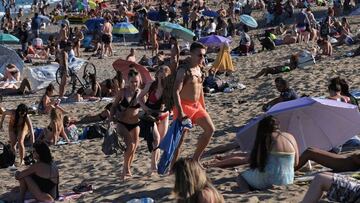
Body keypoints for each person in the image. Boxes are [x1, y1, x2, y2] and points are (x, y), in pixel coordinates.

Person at [172, 42, 215, 167]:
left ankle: (195, 159)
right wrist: (180, 112)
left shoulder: (200, 68)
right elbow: (175, 91)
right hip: (184, 106)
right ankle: (172, 168)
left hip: (197, 106)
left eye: (203, 56)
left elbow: (200, 90)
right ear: (191, 54)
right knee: (179, 142)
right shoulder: (183, 70)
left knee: (210, 129)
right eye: (199, 55)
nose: (202, 58)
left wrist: (204, 108)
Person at [237, 116, 299, 191]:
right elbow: (296, 163)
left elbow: (260, 162)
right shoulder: (290, 137)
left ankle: (246, 192)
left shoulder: (267, 138)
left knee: (241, 177)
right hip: (288, 180)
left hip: (269, 181)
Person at [138, 65, 171, 175]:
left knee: (160, 143)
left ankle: (154, 166)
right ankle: (154, 165)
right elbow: (139, 98)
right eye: (160, 72)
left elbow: (172, 102)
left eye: (164, 73)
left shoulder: (169, 88)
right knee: (155, 139)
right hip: (150, 115)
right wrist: (145, 108)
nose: (161, 74)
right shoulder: (151, 85)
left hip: (163, 115)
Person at [110, 69, 141, 181]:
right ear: (128, 81)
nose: (134, 84)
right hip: (122, 123)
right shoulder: (122, 92)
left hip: (135, 123)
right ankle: (125, 169)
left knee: (134, 148)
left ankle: (127, 169)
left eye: (136, 81)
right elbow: (113, 106)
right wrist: (110, 119)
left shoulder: (141, 93)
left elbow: (145, 108)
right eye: (132, 81)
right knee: (130, 146)